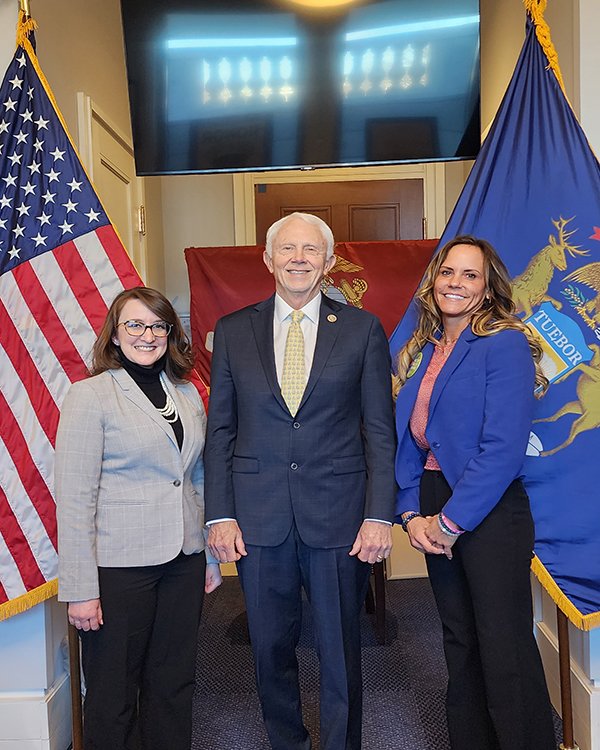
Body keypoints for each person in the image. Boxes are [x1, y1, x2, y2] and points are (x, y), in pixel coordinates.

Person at [204, 212, 396, 750]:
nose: (298, 258)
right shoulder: (233, 330)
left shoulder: (362, 329)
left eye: (311, 250)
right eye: (287, 248)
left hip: (339, 516)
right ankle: (286, 741)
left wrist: (378, 514)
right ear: (268, 259)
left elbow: (379, 431)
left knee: (339, 649)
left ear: (329, 262)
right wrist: (219, 515)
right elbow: (220, 429)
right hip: (257, 519)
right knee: (268, 648)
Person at [394, 236, 556, 750]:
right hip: (435, 498)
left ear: (487, 289)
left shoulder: (505, 343)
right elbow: (407, 440)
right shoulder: (423, 349)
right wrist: (410, 512)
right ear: (434, 280)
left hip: (489, 509)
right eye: (448, 273)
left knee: (502, 644)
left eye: (470, 275)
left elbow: (503, 449)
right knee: (459, 640)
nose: (456, 284)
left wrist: (448, 522)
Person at [55, 287, 221, 750]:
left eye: (157, 326)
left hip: (183, 559)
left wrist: (208, 555)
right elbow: (74, 499)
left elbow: (198, 476)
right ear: (115, 333)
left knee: (173, 682)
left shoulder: (186, 393)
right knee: (112, 691)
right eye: (135, 324)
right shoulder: (91, 396)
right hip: (118, 568)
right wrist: (81, 589)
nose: (146, 335)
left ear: (170, 334)